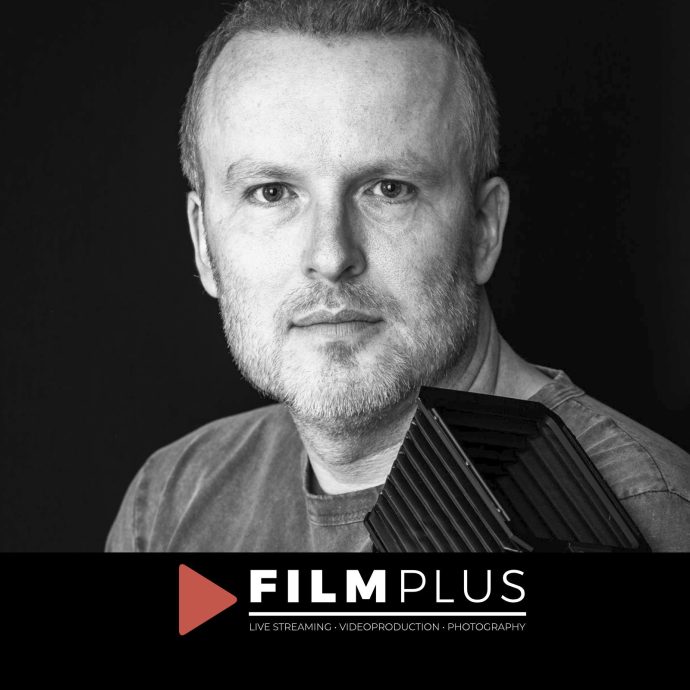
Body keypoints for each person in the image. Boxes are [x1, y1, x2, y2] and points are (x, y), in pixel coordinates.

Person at [106, 0, 690, 553]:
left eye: (388, 189)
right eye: (272, 193)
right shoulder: (172, 502)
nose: (330, 255)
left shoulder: (644, 510)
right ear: (203, 243)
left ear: (483, 229)